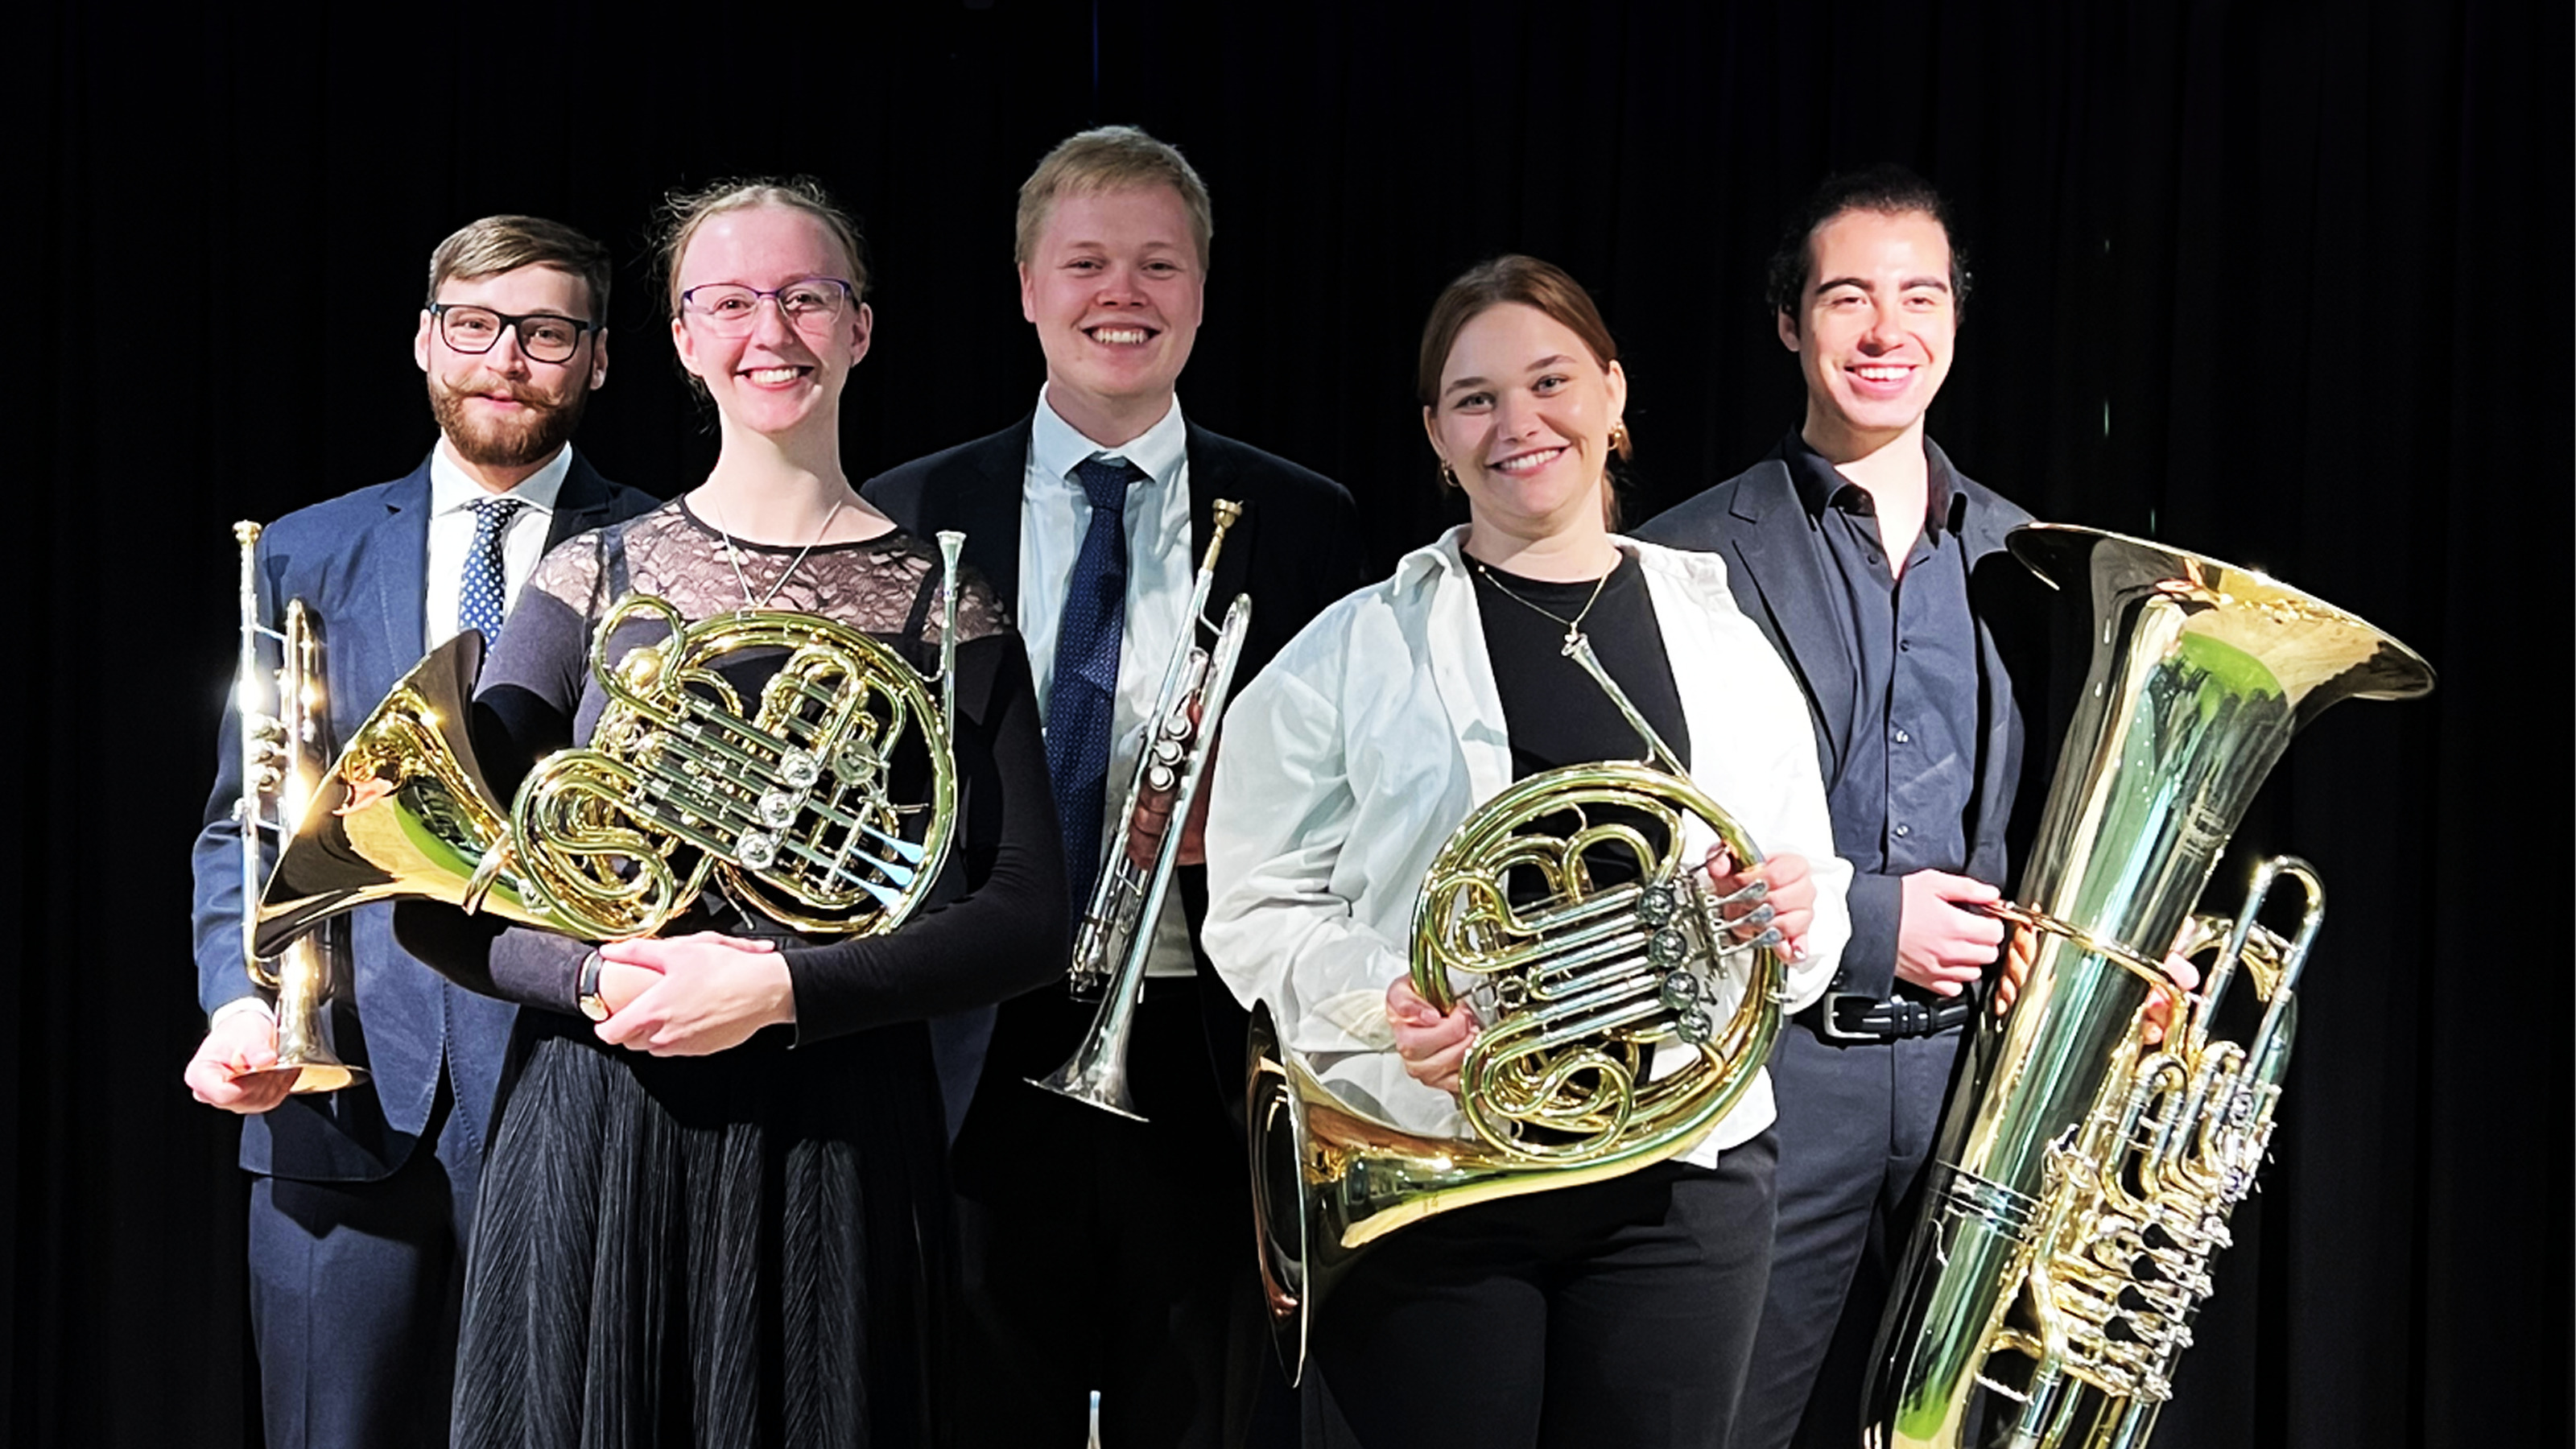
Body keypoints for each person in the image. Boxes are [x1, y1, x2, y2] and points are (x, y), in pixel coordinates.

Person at [394, 178, 1067, 1449]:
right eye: (733, 301)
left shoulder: (947, 603)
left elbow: (1030, 917)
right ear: (684, 338)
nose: (773, 330)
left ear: (860, 328)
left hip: (838, 1132)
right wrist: (597, 976)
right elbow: (433, 896)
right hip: (598, 1113)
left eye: (807, 297)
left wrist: (782, 989)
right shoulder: (592, 577)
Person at [1203, 254, 1851, 1449]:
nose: (1519, 423)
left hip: (1681, 1182)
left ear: (1612, 393)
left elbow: (1809, 887)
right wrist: (1387, 1000)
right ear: (1436, 436)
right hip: (1438, 1169)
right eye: (1476, 398)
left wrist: (1793, 919)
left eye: (1551, 381)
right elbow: (1253, 905)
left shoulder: (1723, 637)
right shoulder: (1353, 648)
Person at [863, 126, 1365, 1449]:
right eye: (1085, 262)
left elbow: (1363, 798)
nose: (1121, 295)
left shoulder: (1307, 520)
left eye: (1158, 264)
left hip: (1204, 1046)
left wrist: (1248, 818)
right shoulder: (907, 508)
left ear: (1201, 289)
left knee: (1203, 1411)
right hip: (971, 1033)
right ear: (1028, 285)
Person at [184, 213, 655, 1449]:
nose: (506, 358)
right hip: (339, 1096)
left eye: (546, 332)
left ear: (599, 358)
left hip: (582, 1095)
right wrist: (237, 1004)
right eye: (475, 325)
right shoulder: (307, 549)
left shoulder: (663, 551)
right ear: (423, 340)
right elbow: (248, 820)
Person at [1633, 165, 2052, 1449]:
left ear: (1956, 320)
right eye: (1847, 297)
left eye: (1919, 297)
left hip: (1979, 1086)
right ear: (1788, 321)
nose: (1886, 331)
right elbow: (1654, 845)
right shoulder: (1688, 557)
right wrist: (1873, 923)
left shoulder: (2035, 559)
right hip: (1775, 1077)